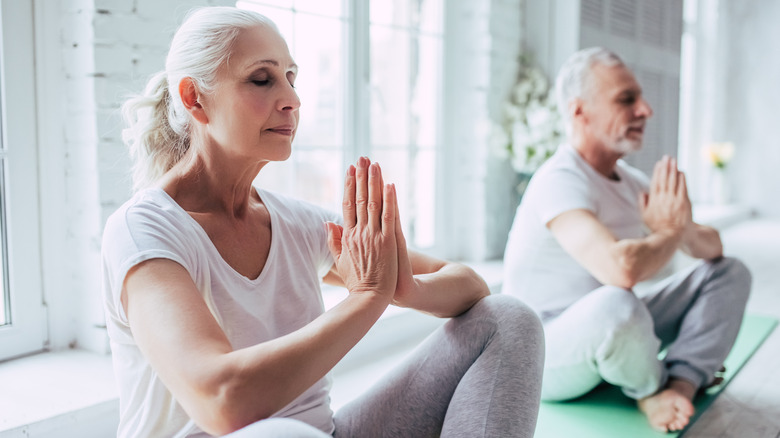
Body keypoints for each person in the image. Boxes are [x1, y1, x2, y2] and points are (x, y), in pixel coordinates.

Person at [101, 6, 544, 438]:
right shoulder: (145, 230)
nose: (291, 100)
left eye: (291, 79)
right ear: (194, 98)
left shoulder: (296, 223)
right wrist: (369, 296)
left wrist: (400, 285)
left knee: (507, 318)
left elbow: (470, 286)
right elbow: (222, 403)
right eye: (262, 79)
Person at [502, 47, 751, 433]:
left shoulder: (632, 182)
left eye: (641, 98)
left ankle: (679, 384)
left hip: (612, 328)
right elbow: (620, 269)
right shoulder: (559, 178)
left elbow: (712, 247)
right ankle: (649, 389)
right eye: (627, 100)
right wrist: (669, 232)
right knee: (618, 301)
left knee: (730, 272)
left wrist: (680, 227)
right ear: (579, 111)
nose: (646, 110)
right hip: (541, 353)